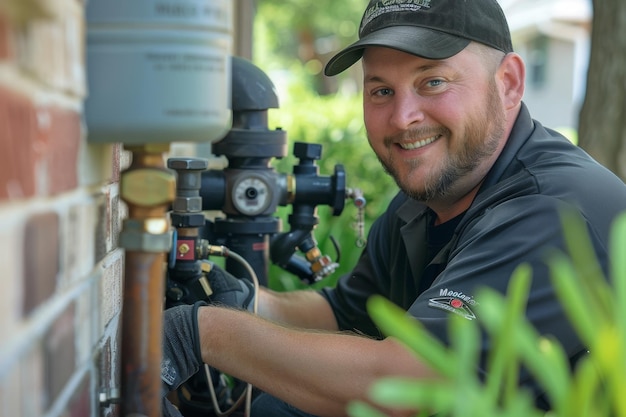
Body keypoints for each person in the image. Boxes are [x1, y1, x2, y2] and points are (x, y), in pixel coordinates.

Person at [161, 0, 626, 416]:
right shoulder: (428, 200)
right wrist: (243, 300)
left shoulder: (550, 210)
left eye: (434, 81)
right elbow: (344, 314)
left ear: (508, 83)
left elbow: (406, 384)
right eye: (381, 90)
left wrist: (204, 333)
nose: (403, 119)